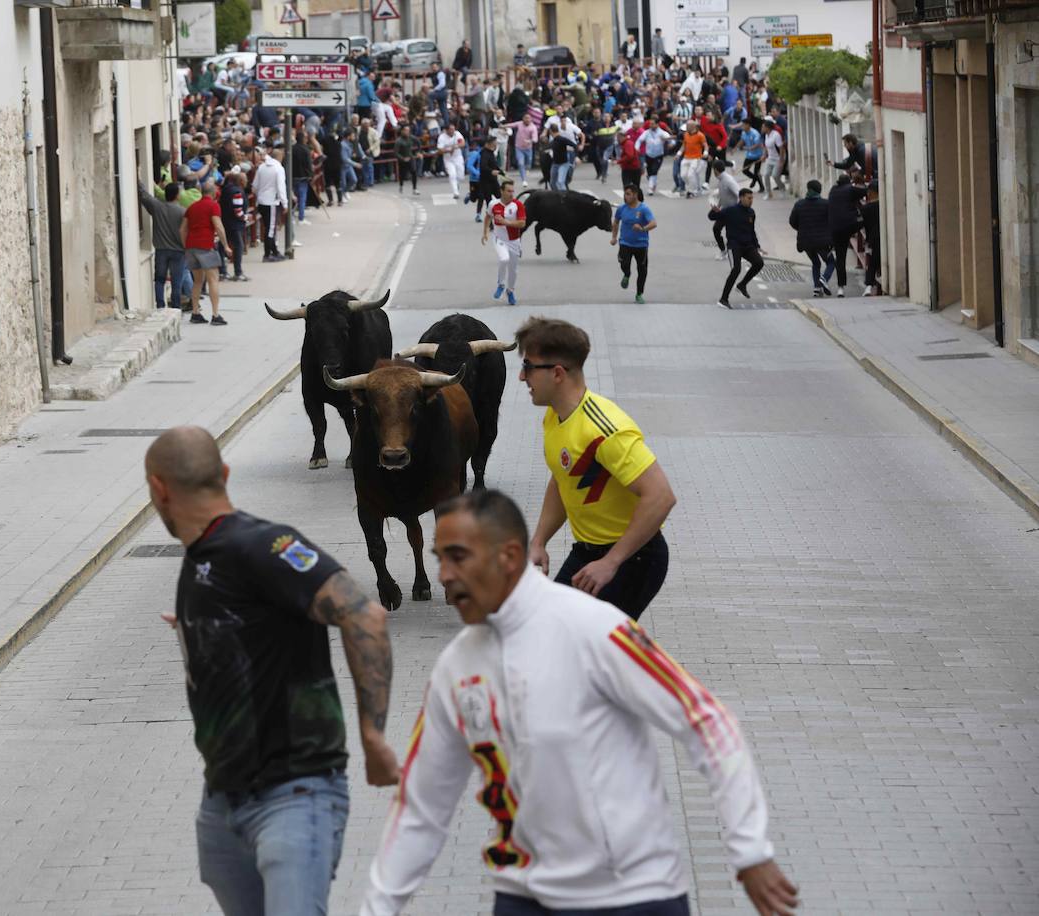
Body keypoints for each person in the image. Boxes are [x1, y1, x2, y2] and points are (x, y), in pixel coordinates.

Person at [359, 489, 798, 916]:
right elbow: (421, 807)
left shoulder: (595, 629)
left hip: (632, 896)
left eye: (458, 557)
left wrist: (750, 850)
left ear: (509, 557)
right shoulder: (454, 670)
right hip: (522, 897)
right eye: (439, 560)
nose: (444, 576)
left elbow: (708, 721)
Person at [145, 426, 399, 916]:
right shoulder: (202, 558)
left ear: (158, 489)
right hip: (222, 803)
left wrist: (373, 739)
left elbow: (363, 615)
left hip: (293, 795)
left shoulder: (266, 545)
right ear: (223, 474)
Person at [516, 317, 676, 619]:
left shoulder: (605, 429)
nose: (522, 377)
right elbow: (563, 480)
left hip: (635, 558)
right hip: (589, 552)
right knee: (555, 631)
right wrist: (539, 541)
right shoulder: (555, 417)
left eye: (528, 367)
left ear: (558, 373)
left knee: (589, 647)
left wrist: (611, 562)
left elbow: (661, 497)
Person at [180, 179, 232, 325]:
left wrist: (186, 245)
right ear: (214, 193)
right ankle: (215, 315)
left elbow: (182, 229)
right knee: (213, 279)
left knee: (197, 281)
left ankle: (195, 312)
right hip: (206, 246)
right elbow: (218, 226)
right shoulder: (213, 206)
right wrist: (226, 245)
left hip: (191, 247)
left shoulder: (192, 207)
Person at [138, 180, 190, 310]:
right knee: (176, 282)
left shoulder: (157, 207)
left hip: (161, 249)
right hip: (178, 251)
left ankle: (160, 306)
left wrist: (138, 178)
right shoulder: (183, 212)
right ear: (177, 195)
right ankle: (176, 308)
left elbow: (144, 195)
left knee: (160, 280)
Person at [710, 187, 763, 308]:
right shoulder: (730, 211)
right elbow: (712, 217)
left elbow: (751, 230)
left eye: (752, 198)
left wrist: (757, 246)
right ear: (741, 198)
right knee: (736, 269)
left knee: (759, 262)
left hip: (748, 246)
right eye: (749, 198)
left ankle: (742, 285)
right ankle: (723, 299)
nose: (751, 200)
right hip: (734, 246)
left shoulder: (751, 213)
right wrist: (713, 211)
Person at [481, 177, 526, 306]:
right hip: (499, 238)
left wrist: (506, 222)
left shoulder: (518, 205)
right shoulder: (493, 204)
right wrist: (484, 233)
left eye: (513, 191)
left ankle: (510, 291)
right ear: (502, 191)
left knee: (513, 269)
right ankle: (501, 284)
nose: (511, 193)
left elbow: (522, 223)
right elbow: (488, 217)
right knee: (503, 259)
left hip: (514, 241)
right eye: (508, 191)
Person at [610, 184, 656, 305]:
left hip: (641, 245)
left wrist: (642, 228)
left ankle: (639, 294)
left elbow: (653, 223)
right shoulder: (621, 209)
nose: (626, 196)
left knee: (642, 270)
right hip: (625, 243)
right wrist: (614, 237)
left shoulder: (644, 209)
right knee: (624, 263)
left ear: (635, 194)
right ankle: (627, 274)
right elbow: (615, 223)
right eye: (625, 194)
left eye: (628, 194)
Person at [788, 178, 834, 297]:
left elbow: (792, 222)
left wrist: (802, 229)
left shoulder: (799, 204)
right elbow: (832, 221)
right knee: (831, 262)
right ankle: (824, 279)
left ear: (808, 189)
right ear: (819, 191)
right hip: (822, 242)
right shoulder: (826, 204)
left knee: (815, 263)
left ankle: (817, 288)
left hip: (806, 242)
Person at [827, 173, 867, 297]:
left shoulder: (833, 190)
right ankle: (868, 240)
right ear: (849, 182)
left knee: (840, 258)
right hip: (849, 226)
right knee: (868, 217)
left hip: (834, 228)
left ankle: (840, 288)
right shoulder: (850, 189)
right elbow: (866, 191)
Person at [253, 147, 287, 262]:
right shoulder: (278, 169)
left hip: (261, 201)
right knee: (270, 229)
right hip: (271, 201)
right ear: (280, 157)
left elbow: (255, 186)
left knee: (267, 226)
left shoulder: (262, 167)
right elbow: (281, 187)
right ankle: (267, 254)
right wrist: (285, 203)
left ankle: (274, 251)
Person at [217, 168, 250, 282]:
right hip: (235, 224)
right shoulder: (237, 192)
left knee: (222, 246)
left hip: (225, 221)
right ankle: (238, 272)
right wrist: (245, 217)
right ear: (241, 181)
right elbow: (238, 211)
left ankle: (222, 271)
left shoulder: (227, 189)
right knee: (238, 246)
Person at [635, 117, 671, 195]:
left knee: (654, 171)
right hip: (648, 155)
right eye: (650, 124)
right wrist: (636, 148)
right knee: (650, 172)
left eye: (652, 124)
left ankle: (650, 188)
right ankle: (653, 182)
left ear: (657, 124)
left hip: (658, 156)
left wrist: (670, 142)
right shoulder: (646, 132)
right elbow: (639, 140)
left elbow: (669, 138)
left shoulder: (662, 133)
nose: (650, 125)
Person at [678, 119, 708, 200]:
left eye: (688, 126)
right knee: (683, 175)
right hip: (686, 158)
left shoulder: (700, 135)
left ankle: (692, 191)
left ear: (693, 126)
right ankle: (695, 187)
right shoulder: (686, 134)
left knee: (691, 175)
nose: (686, 127)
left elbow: (705, 145)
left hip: (696, 158)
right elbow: (684, 145)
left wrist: (705, 153)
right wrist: (678, 153)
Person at [476, 135, 503, 222]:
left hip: (493, 181)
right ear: (488, 144)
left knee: (500, 198)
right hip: (486, 182)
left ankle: (501, 216)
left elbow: (494, 165)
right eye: (494, 144)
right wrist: (491, 171)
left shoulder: (490, 153)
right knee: (489, 202)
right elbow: (483, 167)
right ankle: (490, 222)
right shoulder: (484, 154)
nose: (495, 146)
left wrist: (501, 172)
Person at [862, 180, 882, 295]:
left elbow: (861, 224)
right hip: (885, 237)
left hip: (873, 239)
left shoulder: (866, 208)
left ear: (871, 192)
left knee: (873, 263)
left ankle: (869, 286)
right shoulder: (884, 205)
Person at [437, 121, 466, 199]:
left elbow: (462, 143)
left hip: (458, 157)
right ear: (446, 130)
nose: (452, 131)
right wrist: (448, 150)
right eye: (450, 129)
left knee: (461, 176)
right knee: (452, 174)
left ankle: (456, 184)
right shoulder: (442, 137)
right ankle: (455, 192)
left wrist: (455, 147)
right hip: (448, 159)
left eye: (453, 129)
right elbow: (439, 150)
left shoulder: (457, 134)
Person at [292, 131, 314, 224]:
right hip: (303, 177)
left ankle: (292, 217)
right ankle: (301, 218)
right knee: (302, 198)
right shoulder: (306, 150)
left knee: (293, 198)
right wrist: (311, 175)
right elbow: (309, 164)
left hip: (293, 176)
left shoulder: (292, 148)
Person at [738, 118, 764, 192]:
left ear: (748, 125)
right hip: (749, 155)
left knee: (757, 172)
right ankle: (754, 178)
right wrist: (737, 147)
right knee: (745, 170)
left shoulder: (755, 133)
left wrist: (747, 148)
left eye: (743, 125)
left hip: (758, 155)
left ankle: (762, 187)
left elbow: (757, 144)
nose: (742, 126)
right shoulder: (743, 132)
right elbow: (742, 140)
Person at [394, 124, 421, 195]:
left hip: (410, 157)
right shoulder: (398, 141)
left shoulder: (411, 138)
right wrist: (402, 158)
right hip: (402, 159)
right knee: (402, 174)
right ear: (402, 131)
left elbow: (418, 142)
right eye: (405, 130)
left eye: (408, 130)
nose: (407, 132)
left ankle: (414, 188)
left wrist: (417, 152)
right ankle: (401, 186)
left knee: (414, 171)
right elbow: (396, 153)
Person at [761, 120, 784, 199]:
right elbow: (766, 147)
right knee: (766, 175)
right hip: (770, 158)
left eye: (763, 127)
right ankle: (768, 193)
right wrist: (764, 155)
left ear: (767, 128)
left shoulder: (776, 135)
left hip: (778, 158)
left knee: (775, 176)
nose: (762, 128)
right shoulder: (766, 135)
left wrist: (781, 160)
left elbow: (781, 148)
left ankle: (782, 189)